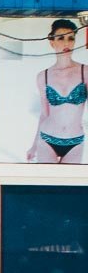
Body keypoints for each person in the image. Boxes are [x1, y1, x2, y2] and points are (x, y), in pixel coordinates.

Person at [27, 19, 87, 164]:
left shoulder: (84, 72)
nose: (66, 43)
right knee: (46, 185)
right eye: (61, 38)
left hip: (75, 141)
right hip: (47, 139)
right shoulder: (43, 76)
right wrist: (34, 146)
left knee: (70, 185)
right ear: (52, 42)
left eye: (70, 38)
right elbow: (44, 114)